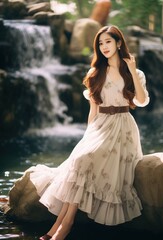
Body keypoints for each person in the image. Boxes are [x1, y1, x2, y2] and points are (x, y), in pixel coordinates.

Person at [28, 25, 149, 240]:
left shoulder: (135, 72)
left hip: (123, 127)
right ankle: (60, 224)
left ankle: (63, 227)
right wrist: (87, 137)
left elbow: (141, 101)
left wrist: (131, 70)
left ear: (119, 43)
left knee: (83, 162)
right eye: (100, 43)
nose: (104, 47)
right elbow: (93, 110)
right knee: (79, 160)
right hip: (99, 126)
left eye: (108, 42)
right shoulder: (95, 73)